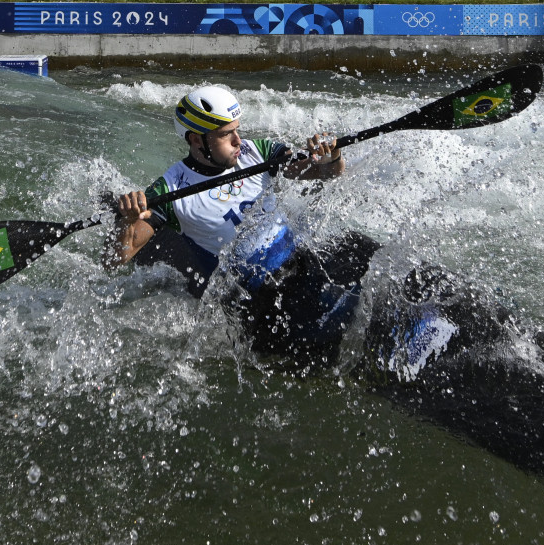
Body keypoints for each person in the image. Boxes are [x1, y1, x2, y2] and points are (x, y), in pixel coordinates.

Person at [112, 87, 362, 367]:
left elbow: (327, 173)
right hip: (259, 302)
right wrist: (128, 220)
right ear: (196, 139)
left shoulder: (258, 152)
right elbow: (118, 257)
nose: (238, 140)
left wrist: (331, 156)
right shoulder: (170, 190)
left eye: (237, 130)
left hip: (301, 263)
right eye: (225, 134)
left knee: (361, 248)